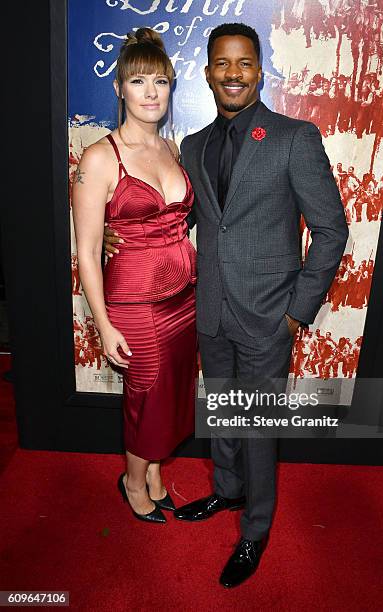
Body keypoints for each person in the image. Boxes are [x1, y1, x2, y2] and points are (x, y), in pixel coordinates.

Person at [105, 22, 348, 587]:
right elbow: (174, 216)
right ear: (209, 73)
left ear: (259, 71)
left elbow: (332, 230)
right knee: (226, 413)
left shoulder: (295, 137)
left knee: (258, 424)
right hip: (209, 310)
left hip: (270, 314)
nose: (233, 73)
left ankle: (256, 529)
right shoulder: (193, 146)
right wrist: (115, 233)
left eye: (244, 64)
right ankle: (227, 491)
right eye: (222, 64)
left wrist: (297, 310)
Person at [73, 28, 197, 525]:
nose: (151, 92)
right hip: (135, 305)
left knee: (173, 393)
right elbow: (85, 250)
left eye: (161, 82)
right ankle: (132, 478)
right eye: (139, 81)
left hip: (185, 299)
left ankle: (154, 473)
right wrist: (103, 325)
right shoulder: (100, 157)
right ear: (120, 89)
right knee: (144, 399)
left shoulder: (174, 148)